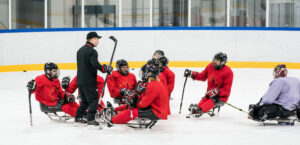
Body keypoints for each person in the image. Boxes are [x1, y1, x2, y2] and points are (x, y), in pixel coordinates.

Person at [101, 61, 169, 125]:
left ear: (148, 74)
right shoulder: (154, 83)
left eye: (144, 72)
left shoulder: (153, 85)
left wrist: (135, 103)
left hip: (157, 112)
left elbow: (143, 104)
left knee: (131, 111)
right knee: (131, 106)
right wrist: (136, 97)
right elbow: (144, 97)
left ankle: (112, 121)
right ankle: (115, 110)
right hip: (157, 109)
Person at [75, 31, 113, 125]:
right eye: (97, 39)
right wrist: (104, 68)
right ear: (93, 39)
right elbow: (94, 64)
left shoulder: (80, 50)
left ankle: (78, 117)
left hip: (80, 80)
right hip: (89, 81)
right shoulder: (92, 51)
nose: (98, 42)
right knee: (93, 100)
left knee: (84, 101)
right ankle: (90, 119)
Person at [184, 52, 233, 117]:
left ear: (222, 62)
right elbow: (202, 76)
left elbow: (227, 90)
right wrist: (192, 74)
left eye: (217, 61)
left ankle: (200, 110)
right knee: (205, 99)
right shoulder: (210, 66)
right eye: (214, 59)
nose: (214, 62)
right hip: (209, 94)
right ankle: (198, 108)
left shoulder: (228, 72)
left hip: (220, 97)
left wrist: (216, 91)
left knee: (211, 101)